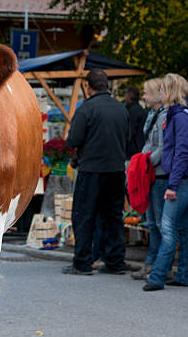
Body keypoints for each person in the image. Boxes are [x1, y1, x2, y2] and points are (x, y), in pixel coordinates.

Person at [62, 69, 130, 276]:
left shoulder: (86, 109)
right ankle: (115, 262)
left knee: (84, 216)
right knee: (113, 216)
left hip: (92, 170)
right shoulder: (121, 109)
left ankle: (82, 262)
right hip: (116, 170)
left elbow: (73, 140)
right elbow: (127, 137)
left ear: (88, 87)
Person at [143, 74, 188, 291]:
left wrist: (172, 185)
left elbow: (181, 153)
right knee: (181, 228)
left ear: (170, 91)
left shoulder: (181, 117)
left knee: (168, 227)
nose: (160, 93)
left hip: (182, 179)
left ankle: (157, 276)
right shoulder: (181, 114)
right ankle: (185, 275)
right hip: (185, 177)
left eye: (162, 89)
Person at [131, 78, 168, 280]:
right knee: (152, 223)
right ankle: (151, 263)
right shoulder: (152, 114)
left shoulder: (163, 116)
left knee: (160, 224)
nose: (143, 96)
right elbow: (148, 143)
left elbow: (162, 148)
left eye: (146, 93)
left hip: (159, 174)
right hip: (151, 172)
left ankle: (160, 265)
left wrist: (145, 164)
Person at [125, 86, 147, 159]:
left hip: (133, 151)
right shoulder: (140, 109)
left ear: (129, 96)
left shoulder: (132, 111)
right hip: (140, 147)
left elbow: (130, 132)